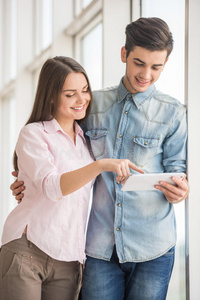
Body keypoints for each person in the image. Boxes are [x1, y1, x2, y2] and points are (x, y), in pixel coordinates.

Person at [10, 18, 189, 300]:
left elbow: (177, 172)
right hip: (99, 248)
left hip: (153, 246)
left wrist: (180, 191)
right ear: (124, 55)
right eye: (139, 63)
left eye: (157, 67)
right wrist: (26, 182)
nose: (146, 74)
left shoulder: (174, 113)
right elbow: (58, 149)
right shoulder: (93, 106)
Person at [0, 56, 143, 300]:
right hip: (28, 249)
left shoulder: (88, 139)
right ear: (52, 96)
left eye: (85, 90)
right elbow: (51, 187)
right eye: (70, 94)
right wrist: (100, 165)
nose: (82, 100)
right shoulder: (34, 134)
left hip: (69, 259)